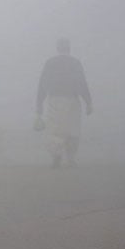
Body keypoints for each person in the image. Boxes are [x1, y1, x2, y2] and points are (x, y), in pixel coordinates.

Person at [36, 38, 93, 168]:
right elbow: (82, 83)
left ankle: (56, 157)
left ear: (58, 48)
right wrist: (88, 102)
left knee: (55, 129)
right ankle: (70, 158)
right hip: (72, 99)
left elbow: (42, 84)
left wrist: (39, 104)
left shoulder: (50, 63)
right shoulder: (75, 63)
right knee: (73, 129)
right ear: (69, 48)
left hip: (55, 99)